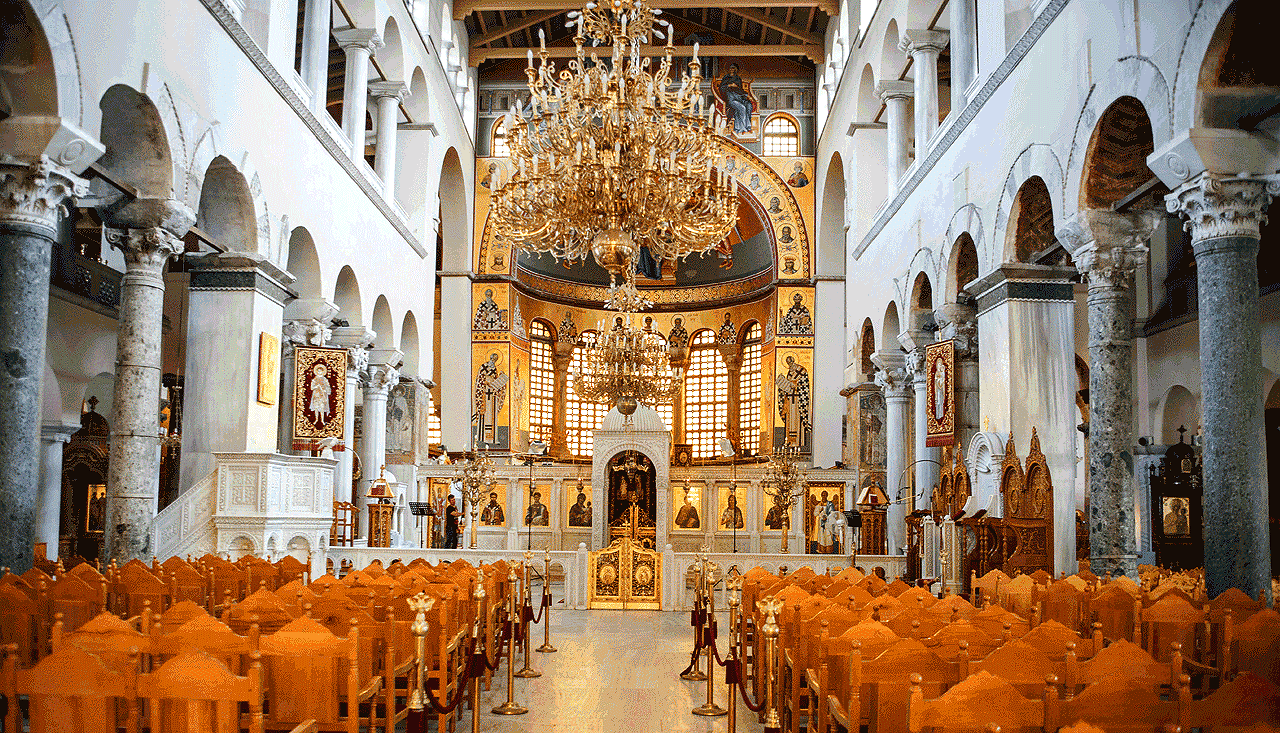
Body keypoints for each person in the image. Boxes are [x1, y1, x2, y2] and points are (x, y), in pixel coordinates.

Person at [718, 63, 753, 135]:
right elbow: (721, 88)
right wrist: (729, 85)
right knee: (742, 108)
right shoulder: (726, 78)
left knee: (749, 105)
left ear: (736, 70)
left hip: (739, 97)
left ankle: (747, 127)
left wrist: (747, 95)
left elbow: (740, 90)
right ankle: (742, 129)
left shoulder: (738, 78)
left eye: (733, 68)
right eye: (730, 68)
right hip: (731, 98)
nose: (732, 69)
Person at [308, 362, 331, 428]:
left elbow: (328, 387)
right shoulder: (314, 379)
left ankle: (322, 420)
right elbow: (312, 387)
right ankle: (316, 419)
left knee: (322, 408)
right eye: (318, 371)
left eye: (320, 371)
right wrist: (316, 386)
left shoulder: (325, 379)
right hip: (316, 395)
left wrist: (325, 389)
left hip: (322, 395)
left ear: (322, 372)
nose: (319, 372)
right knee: (316, 408)